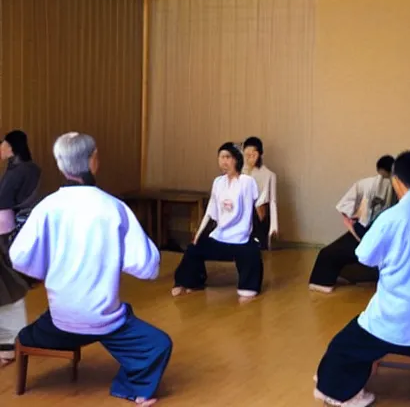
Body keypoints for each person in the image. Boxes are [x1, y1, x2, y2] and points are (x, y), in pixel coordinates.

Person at [9, 132, 171, 406]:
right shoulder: (113, 208)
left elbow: (20, 256)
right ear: (94, 160)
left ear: (60, 165)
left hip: (60, 321)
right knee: (158, 344)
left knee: (27, 335)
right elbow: (147, 266)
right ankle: (134, 389)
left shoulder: (47, 207)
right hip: (104, 321)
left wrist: (46, 269)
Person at [314, 150, 410, 407]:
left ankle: (342, 394)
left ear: (396, 181)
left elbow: (363, 256)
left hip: (395, 324)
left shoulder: (390, 218)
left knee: (340, 347)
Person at [172, 142, 263, 301]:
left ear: (236, 159)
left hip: (240, 237)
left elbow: (257, 206)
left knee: (251, 253)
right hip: (220, 235)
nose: (223, 162)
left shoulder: (247, 182)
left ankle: (248, 287)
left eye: (228, 157)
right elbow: (210, 210)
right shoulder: (218, 182)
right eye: (220, 158)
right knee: (194, 248)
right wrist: (198, 234)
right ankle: (191, 281)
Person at [308, 155, 395, 293]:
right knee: (330, 253)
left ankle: (322, 282)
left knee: (327, 253)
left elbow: (345, 207)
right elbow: (346, 207)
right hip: (368, 229)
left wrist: (353, 222)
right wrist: (355, 219)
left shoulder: (374, 184)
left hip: (372, 230)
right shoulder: (369, 184)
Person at [0, 130, 41, 366]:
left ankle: (8, 346)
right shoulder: (28, 167)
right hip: (12, 222)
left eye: (3, 145)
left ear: (11, 147)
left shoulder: (19, 171)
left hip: (5, 225)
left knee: (8, 283)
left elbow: (3, 199)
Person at [242, 136, 278, 250]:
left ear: (259, 155)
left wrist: (274, 226)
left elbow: (273, 201)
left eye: (253, 155)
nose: (249, 158)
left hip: (259, 215)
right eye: (247, 155)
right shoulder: (239, 172)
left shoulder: (269, 175)